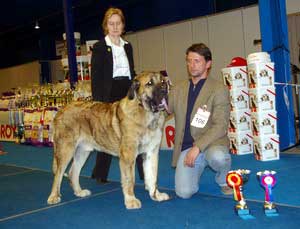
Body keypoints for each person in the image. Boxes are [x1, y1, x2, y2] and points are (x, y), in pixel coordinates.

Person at [168, 43, 233, 198]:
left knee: (219, 157)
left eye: (197, 61)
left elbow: (221, 126)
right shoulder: (178, 89)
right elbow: (166, 111)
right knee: (184, 193)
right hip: (186, 148)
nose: (192, 65)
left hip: (211, 144)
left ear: (208, 64)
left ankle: (224, 179)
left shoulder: (219, 89)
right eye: (189, 61)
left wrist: (197, 147)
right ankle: (195, 169)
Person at [91, 7, 144, 183]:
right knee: (106, 132)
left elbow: (132, 70)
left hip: (127, 90)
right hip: (108, 91)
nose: (114, 27)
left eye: (118, 23)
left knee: (134, 132)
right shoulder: (99, 47)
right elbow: (96, 77)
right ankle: (100, 173)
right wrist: (97, 103)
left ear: (123, 26)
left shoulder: (128, 46)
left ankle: (143, 174)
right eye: (111, 24)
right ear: (106, 26)